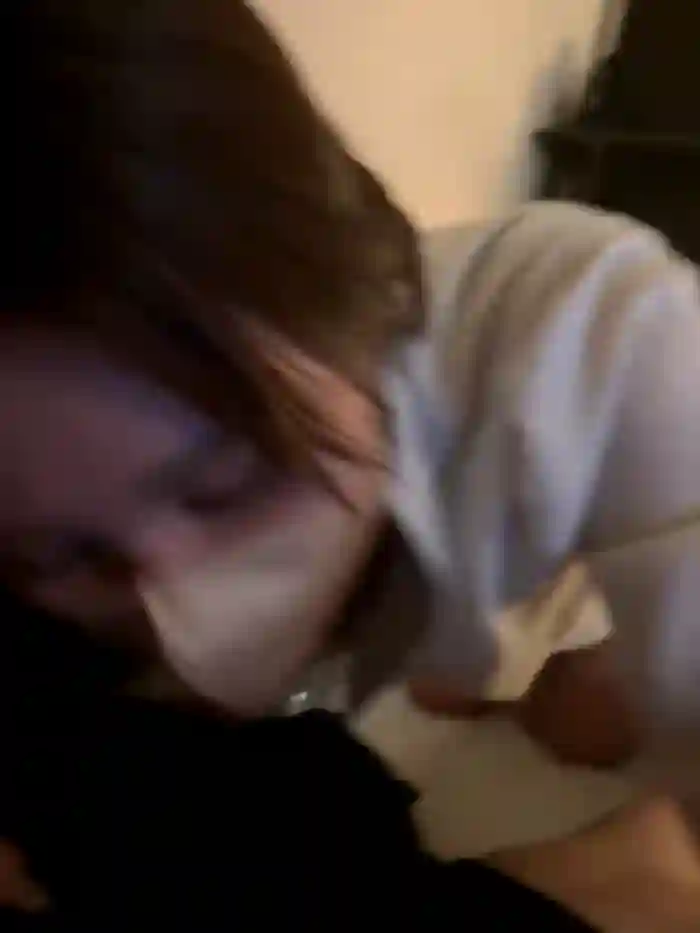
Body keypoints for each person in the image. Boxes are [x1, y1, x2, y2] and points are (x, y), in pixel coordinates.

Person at [2, 0, 700, 809]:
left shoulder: (583, 329)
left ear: (373, 285)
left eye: (228, 485)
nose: (186, 625)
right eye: (62, 556)